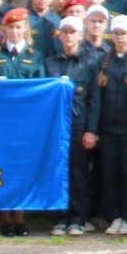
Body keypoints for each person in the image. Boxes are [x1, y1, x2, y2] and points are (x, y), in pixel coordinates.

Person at [47, 17, 105, 236]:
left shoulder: (90, 63)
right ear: (59, 35)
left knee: (79, 173)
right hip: (56, 126)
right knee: (58, 171)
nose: (69, 36)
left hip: (79, 124)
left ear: (81, 35)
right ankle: (59, 218)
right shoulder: (51, 63)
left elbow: (94, 100)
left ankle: (78, 219)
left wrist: (92, 130)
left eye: (73, 32)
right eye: (65, 32)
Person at [88, 15, 127, 236]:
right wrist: (93, 129)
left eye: (124, 34)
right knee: (110, 175)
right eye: (116, 34)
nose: (120, 38)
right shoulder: (103, 63)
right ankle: (114, 217)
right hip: (108, 129)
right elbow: (95, 100)